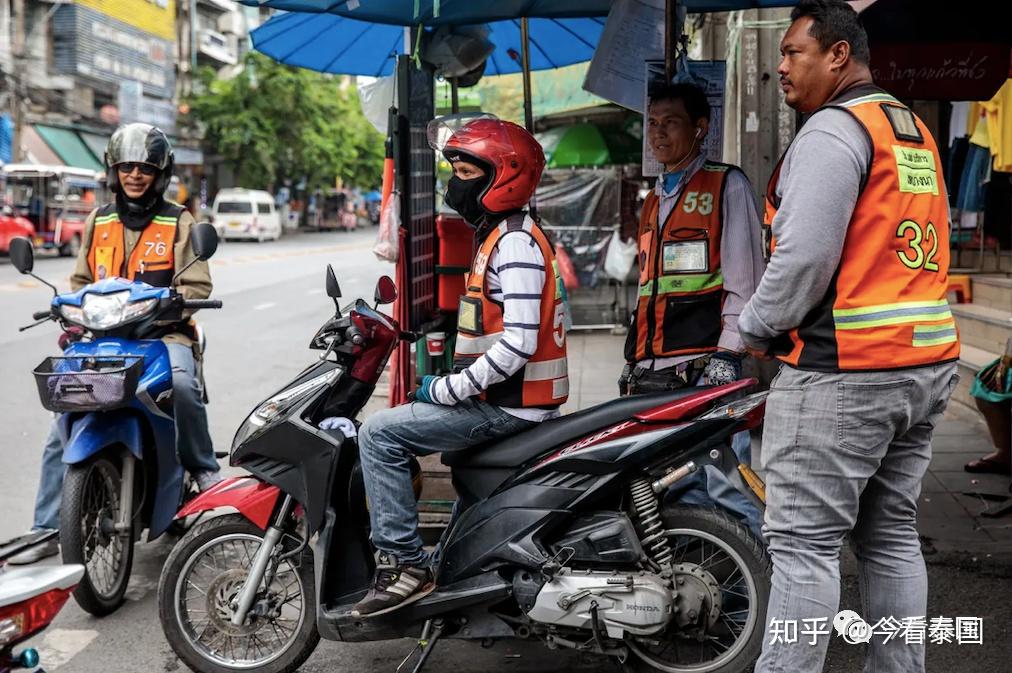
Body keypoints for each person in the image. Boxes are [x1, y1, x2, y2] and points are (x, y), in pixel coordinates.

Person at [738, 3, 961, 672]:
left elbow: (803, 258)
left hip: (845, 372)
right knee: (890, 534)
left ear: (839, 55)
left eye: (794, 51)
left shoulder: (834, 132)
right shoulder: (911, 128)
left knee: (803, 546)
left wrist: (753, 326)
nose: (781, 65)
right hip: (920, 364)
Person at [353, 116, 568, 617]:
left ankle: (402, 564)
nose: (455, 183)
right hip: (506, 401)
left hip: (510, 407)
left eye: (467, 172)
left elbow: (516, 344)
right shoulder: (504, 235)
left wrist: (451, 389)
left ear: (504, 177)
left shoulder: (514, 243)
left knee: (380, 435)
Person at [8, 123, 222, 565]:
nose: (135, 175)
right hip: (104, 338)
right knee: (61, 417)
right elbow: (82, 280)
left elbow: (197, 281)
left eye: (144, 168)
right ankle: (48, 525)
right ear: (115, 171)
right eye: (127, 167)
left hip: (162, 333)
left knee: (182, 387)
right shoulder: (98, 219)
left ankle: (203, 469)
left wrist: (175, 304)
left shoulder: (179, 221)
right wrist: (72, 308)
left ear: (159, 173)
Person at [620, 82, 765, 537]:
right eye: (654, 123)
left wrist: (726, 357)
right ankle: (713, 587)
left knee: (726, 488)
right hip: (654, 375)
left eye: (672, 122)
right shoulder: (653, 200)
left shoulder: (726, 184)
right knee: (673, 489)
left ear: (701, 129)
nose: (658, 133)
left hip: (705, 370)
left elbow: (747, 282)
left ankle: (765, 583)